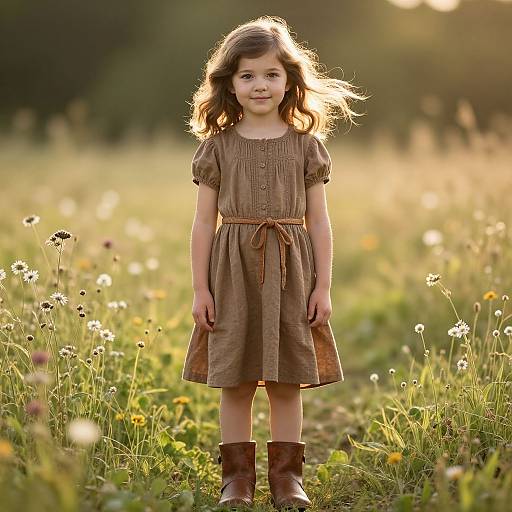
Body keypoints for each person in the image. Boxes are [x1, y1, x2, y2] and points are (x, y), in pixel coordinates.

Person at [182, 15, 367, 510]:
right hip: (232, 273)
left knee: (287, 381)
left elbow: (320, 223)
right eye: (246, 75)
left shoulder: (306, 145)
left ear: (289, 80)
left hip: (291, 271)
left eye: (270, 74)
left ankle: (288, 480)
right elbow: (203, 224)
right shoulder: (216, 148)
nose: (259, 85)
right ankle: (236, 481)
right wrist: (200, 290)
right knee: (237, 380)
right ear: (229, 83)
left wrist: (323, 287)